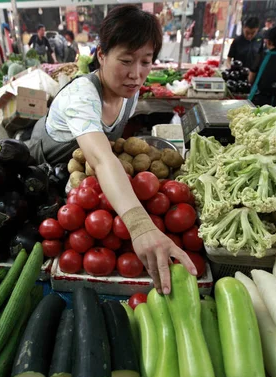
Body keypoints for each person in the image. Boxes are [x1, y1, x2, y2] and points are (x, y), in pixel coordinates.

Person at [26, 5, 196, 293]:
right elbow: (102, 160)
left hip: (84, 182)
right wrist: (140, 225)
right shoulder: (82, 95)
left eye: (146, 61)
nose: (136, 74)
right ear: (101, 55)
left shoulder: (129, 91)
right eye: (126, 61)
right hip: (41, 175)